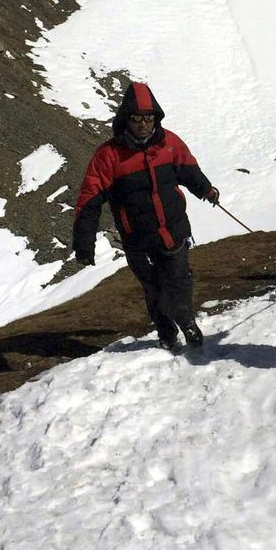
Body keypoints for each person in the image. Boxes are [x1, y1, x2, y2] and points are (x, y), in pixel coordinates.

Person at [73, 81, 219, 352]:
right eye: (137, 118)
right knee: (154, 289)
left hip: (173, 230)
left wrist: (206, 190)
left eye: (148, 118)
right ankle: (166, 332)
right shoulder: (108, 156)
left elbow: (188, 170)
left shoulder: (169, 143)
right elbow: (89, 199)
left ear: (156, 118)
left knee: (180, 279)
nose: (143, 124)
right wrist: (83, 244)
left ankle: (186, 321)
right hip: (137, 239)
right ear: (125, 118)